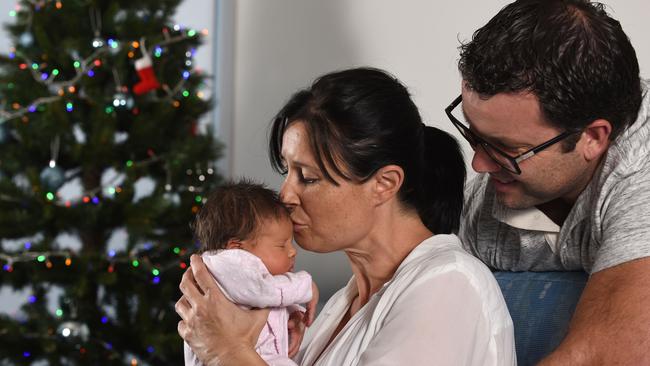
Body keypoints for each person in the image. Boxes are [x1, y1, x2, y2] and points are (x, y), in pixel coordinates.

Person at [176, 68, 516, 365]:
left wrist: (228, 351)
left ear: (384, 184)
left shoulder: (449, 285)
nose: (285, 196)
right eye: (287, 171)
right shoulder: (342, 302)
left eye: (307, 177)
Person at [447, 0, 650, 364]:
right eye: (472, 134)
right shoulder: (487, 205)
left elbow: (606, 357)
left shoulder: (641, 165)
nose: (478, 164)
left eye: (506, 148)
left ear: (592, 137)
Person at [183, 180, 319, 366]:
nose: (292, 251)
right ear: (237, 249)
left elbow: (261, 299)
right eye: (281, 245)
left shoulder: (238, 277)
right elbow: (263, 291)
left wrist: (293, 311)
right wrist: (305, 285)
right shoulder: (227, 264)